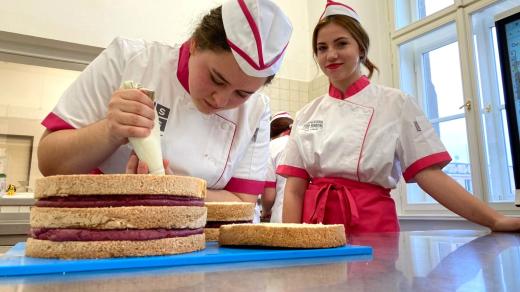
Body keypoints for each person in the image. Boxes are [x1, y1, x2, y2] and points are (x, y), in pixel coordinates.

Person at [278, 0, 520, 232]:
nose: (331, 55)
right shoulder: (306, 114)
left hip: (372, 226)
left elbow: (429, 175)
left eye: (341, 44)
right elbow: (294, 191)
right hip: (316, 228)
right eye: (322, 48)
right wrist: (293, 248)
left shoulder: (395, 103)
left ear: (361, 48)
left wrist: (494, 219)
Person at [37, 0, 293, 203]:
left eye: (242, 94)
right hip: (101, 227)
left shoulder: (257, 111)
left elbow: (242, 201)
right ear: (195, 44)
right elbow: (49, 161)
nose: (221, 99)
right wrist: (109, 130)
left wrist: (176, 192)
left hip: (195, 244)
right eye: (216, 79)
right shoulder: (130, 60)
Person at [262, 111, 293, 222]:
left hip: (282, 217)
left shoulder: (271, 147)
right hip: (310, 217)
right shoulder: (303, 143)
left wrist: (265, 210)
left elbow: (269, 195)